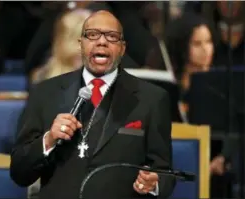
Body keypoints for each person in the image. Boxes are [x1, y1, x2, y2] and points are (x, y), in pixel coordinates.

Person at [10, 10, 175, 199]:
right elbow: (19, 173)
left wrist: (154, 183)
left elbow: (165, 174)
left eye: (112, 37)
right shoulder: (44, 93)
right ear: (81, 44)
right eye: (93, 35)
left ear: (122, 48)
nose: (102, 41)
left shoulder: (152, 99)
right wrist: (48, 140)